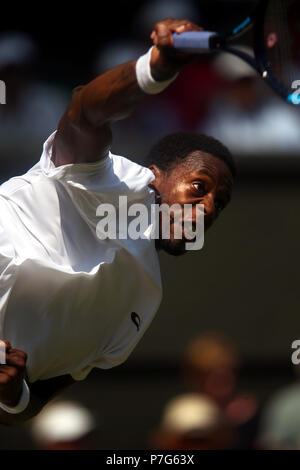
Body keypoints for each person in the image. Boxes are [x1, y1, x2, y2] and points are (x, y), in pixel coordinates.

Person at [0, 18, 235, 425]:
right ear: (156, 174)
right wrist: (153, 69)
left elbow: (37, 397)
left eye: (220, 203)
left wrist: (12, 392)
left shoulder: (142, 302)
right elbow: (83, 111)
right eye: (199, 187)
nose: (210, 208)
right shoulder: (115, 181)